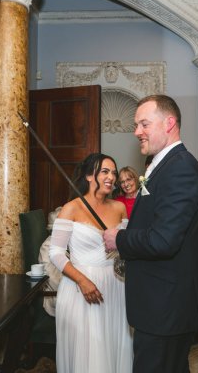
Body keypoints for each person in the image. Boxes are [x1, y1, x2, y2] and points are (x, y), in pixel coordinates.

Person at [103, 94, 198, 373]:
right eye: (136, 125)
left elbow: (163, 240)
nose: (136, 132)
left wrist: (120, 239)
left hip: (166, 304)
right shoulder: (162, 166)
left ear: (169, 123)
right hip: (161, 302)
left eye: (144, 124)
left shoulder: (180, 168)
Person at [49, 153, 132, 373]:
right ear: (88, 176)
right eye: (104, 171)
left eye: (113, 172)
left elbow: (127, 245)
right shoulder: (72, 208)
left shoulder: (119, 208)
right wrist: (82, 280)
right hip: (81, 288)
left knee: (114, 345)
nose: (111, 177)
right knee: (90, 353)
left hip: (115, 285)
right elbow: (56, 253)